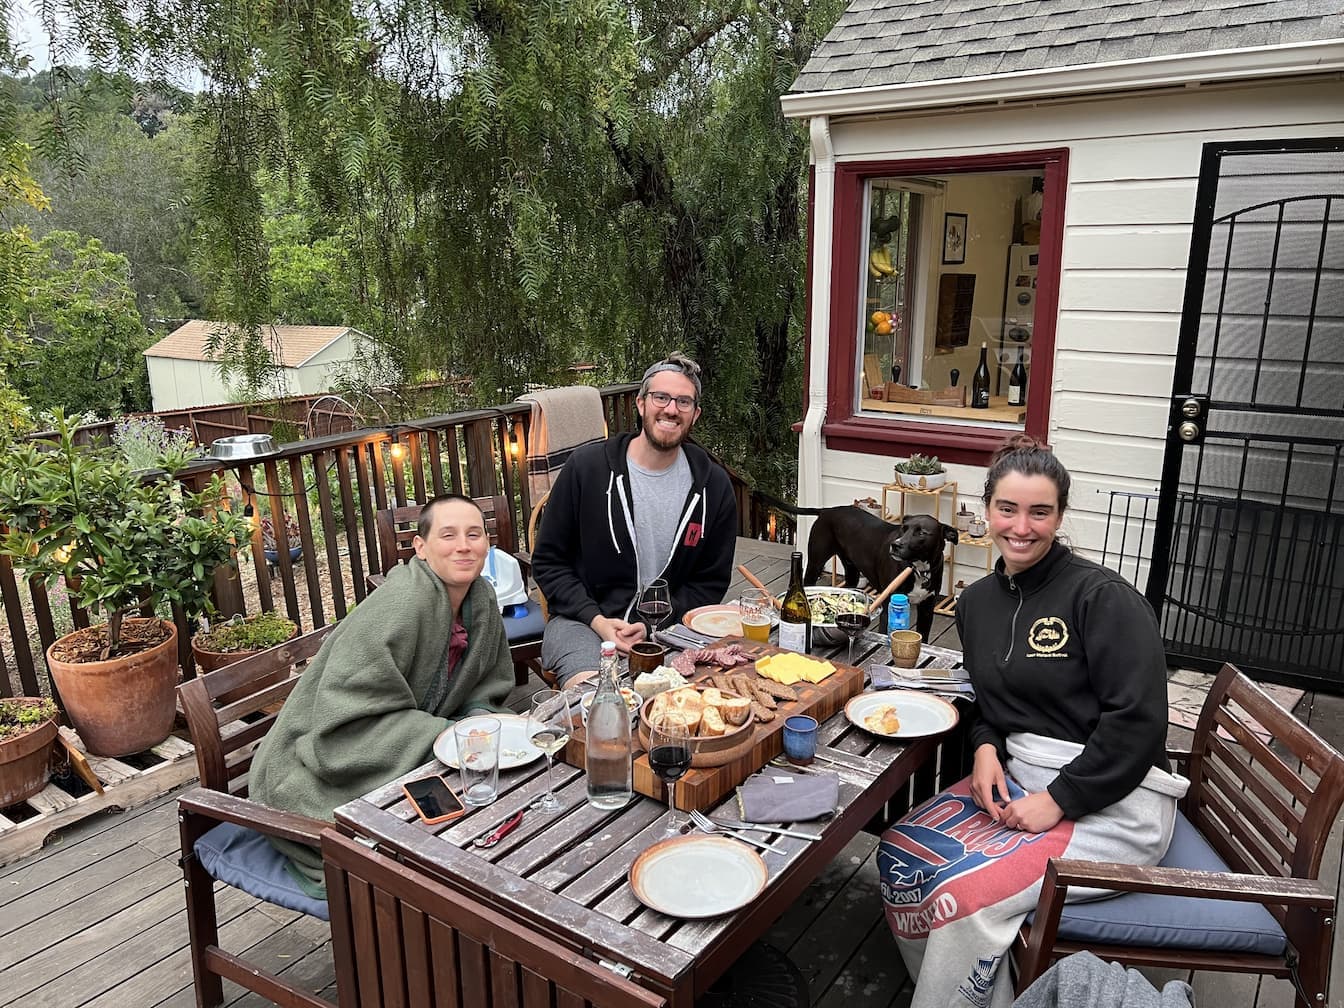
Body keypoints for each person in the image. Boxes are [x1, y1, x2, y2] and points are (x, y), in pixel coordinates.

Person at [878, 435, 1187, 1008]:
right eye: (1008, 509)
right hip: (1018, 778)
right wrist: (986, 746)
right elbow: (990, 703)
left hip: (1114, 801)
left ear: (1060, 516)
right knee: (901, 852)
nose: (1022, 527)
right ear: (987, 510)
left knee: (964, 899)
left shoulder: (1104, 599)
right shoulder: (976, 605)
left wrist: (1060, 800)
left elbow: (1139, 724)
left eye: (1040, 512)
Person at [249, 494, 515, 897]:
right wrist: (448, 735)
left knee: (492, 815)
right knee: (437, 857)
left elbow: (486, 686)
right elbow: (344, 723)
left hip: (407, 754)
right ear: (421, 548)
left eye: (474, 534)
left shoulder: (480, 599)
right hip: (314, 771)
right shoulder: (402, 604)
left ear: (487, 544)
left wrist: (476, 722)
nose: (464, 545)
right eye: (448, 535)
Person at [533, 352, 738, 685]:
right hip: (582, 621)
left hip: (672, 625)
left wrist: (657, 621)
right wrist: (598, 620)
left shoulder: (713, 487)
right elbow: (549, 562)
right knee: (597, 702)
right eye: (661, 397)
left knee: (703, 694)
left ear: (695, 415)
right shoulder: (587, 468)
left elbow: (709, 583)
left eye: (683, 402)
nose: (671, 409)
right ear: (641, 403)